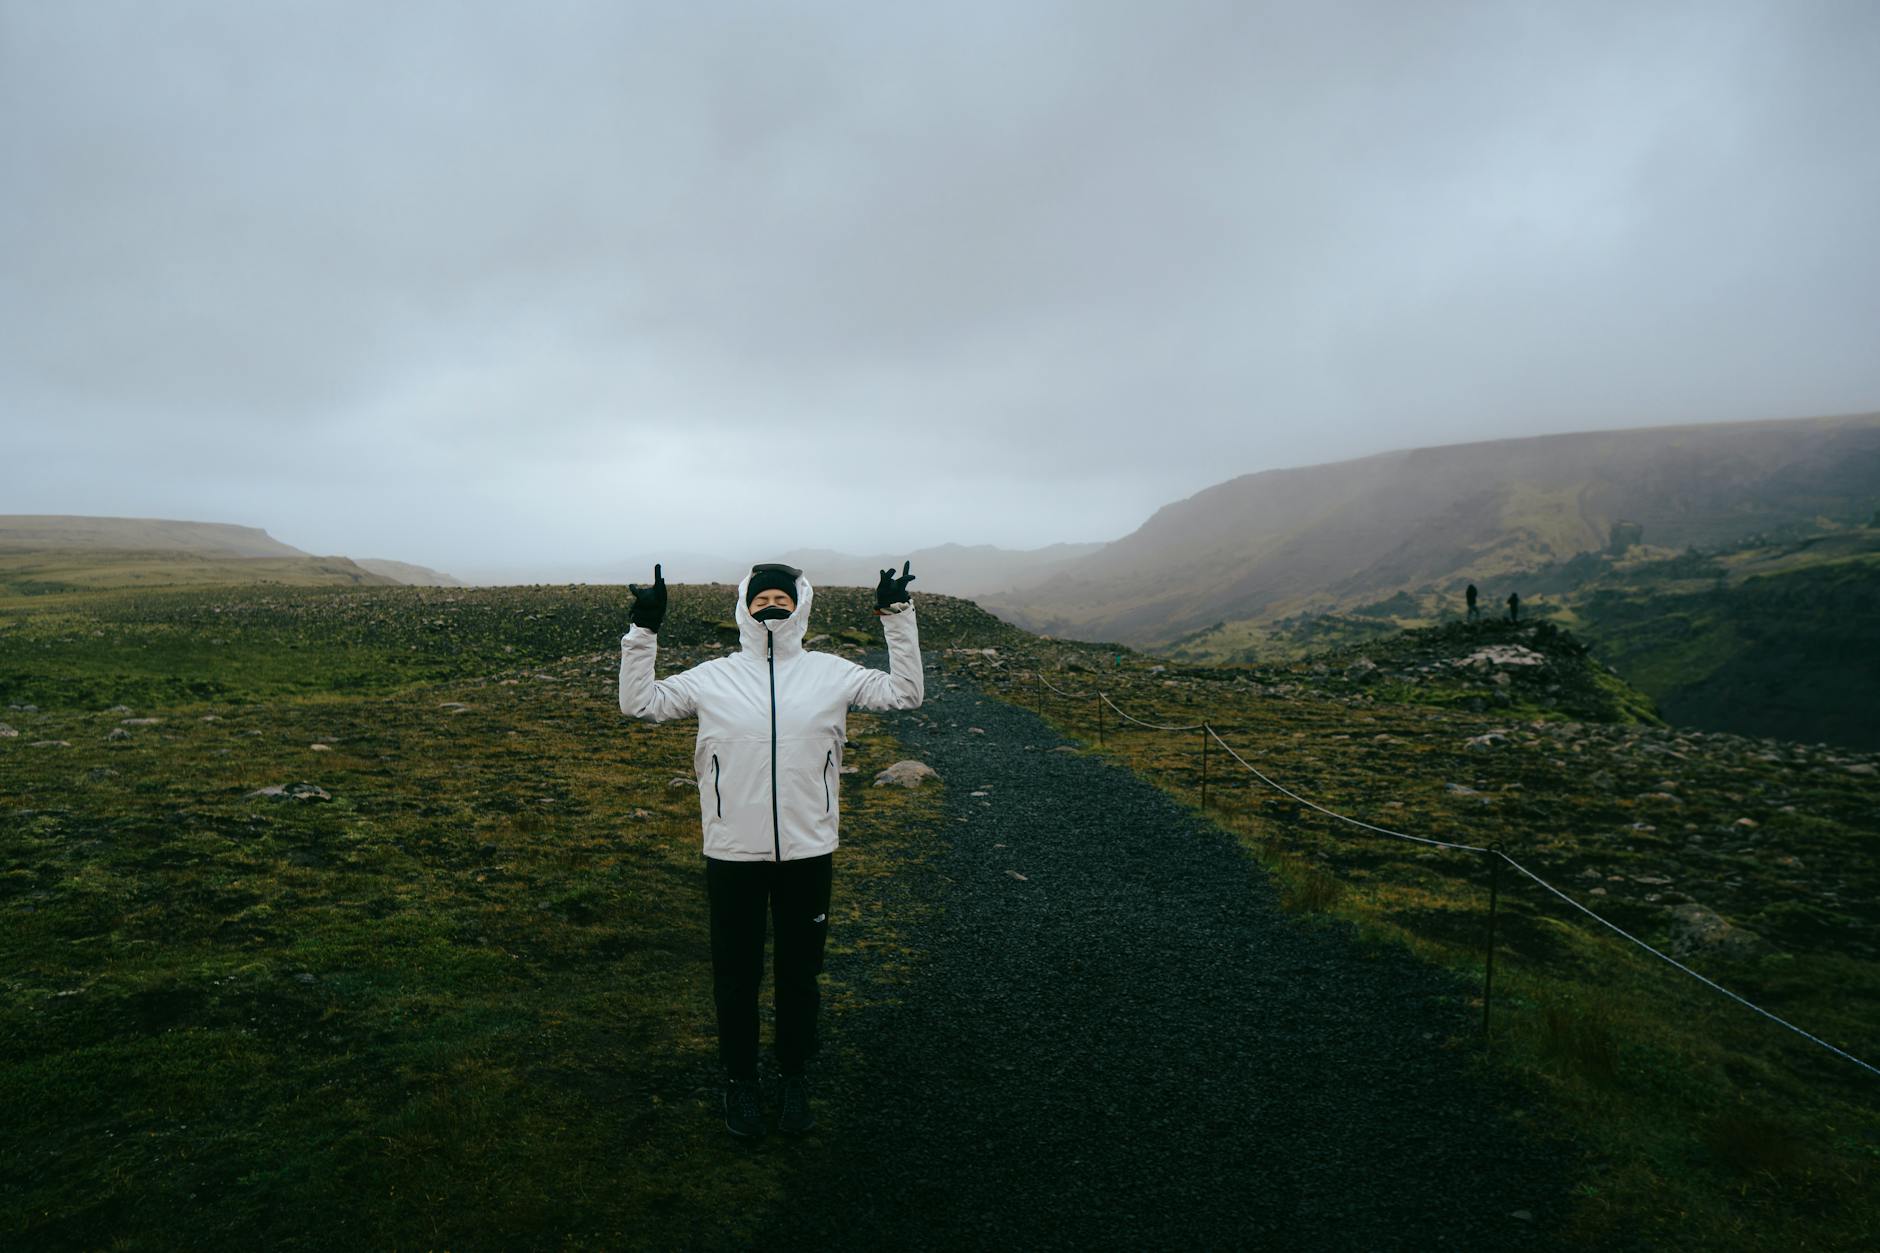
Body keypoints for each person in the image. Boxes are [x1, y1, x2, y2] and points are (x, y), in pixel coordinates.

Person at [618, 560, 923, 1141]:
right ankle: (739, 1080)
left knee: (799, 975)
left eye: (781, 597)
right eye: (760, 600)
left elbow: (906, 694)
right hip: (733, 852)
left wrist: (897, 615)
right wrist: (644, 630)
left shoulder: (830, 673)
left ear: (800, 606)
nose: (771, 606)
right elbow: (639, 703)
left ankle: (793, 1075)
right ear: (744, 608)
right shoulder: (713, 678)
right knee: (736, 977)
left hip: (809, 850)